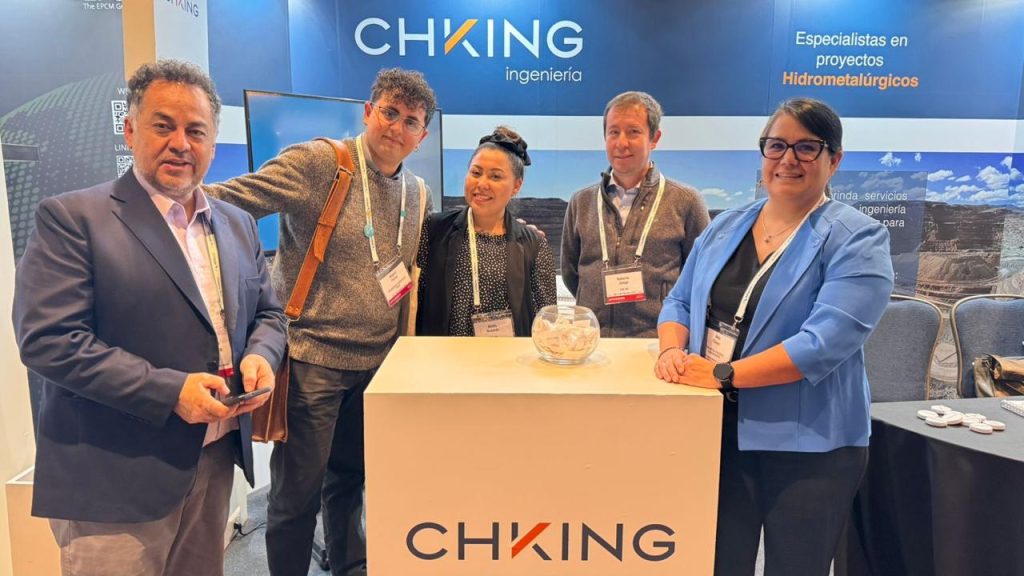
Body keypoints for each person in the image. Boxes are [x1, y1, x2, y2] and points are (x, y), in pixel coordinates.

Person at [12, 59, 287, 576]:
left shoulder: (238, 224)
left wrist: (261, 356)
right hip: (114, 476)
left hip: (213, 460)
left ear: (212, 143)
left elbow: (269, 314)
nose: (180, 144)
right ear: (131, 130)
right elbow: (49, 340)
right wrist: (170, 391)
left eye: (196, 131)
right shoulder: (73, 218)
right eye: (164, 126)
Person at [204, 68, 436, 576]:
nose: (396, 127)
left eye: (411, 121)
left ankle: (348, 567)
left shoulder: (417, 192)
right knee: (297, 496)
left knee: (350, 482)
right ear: (369, 112)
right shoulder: (321, 163)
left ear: (421, 137)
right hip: (314, 362)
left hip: (377, 368)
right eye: (389, 112)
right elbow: (225, 200)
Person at [654, 97, 894, 575]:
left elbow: (823, 343)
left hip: (809, 447)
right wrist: (671, 351)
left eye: (807, 147)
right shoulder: (725, 227)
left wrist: (723, 374)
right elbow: (679, 301)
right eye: (777, 145)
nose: (788, 159)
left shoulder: (858, 238)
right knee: (717, 563)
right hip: (718, 432)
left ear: (834, 160)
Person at [560, 91, 709, 337]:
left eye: (633, 132)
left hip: (658, 343)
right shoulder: (581, 201)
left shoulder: (686, 201)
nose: (621, 143)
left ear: (654, 138)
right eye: (613, 132)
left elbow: (700, 276)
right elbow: (570, 271)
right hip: (591, 340)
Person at [416, 126, 557, 336]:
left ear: (516, 186)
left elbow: (547, 319)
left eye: (495, 177)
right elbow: (417, 299)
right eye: (476, 173)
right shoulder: (435, 230)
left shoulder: (534, 245)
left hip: (508, 355)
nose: (482, 183)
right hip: (445, 353)